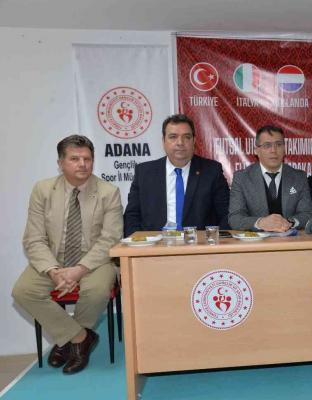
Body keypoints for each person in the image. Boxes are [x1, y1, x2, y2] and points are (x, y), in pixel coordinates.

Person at [12, 135, 123, 374]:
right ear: (60, 163)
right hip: (53, 259)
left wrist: (79, 270)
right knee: (23, 291)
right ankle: (79, 338)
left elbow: (110, 239)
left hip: (95, 260)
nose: (82, 164)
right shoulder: (43, 190)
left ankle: (67, 342)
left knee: (96, 291)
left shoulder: (108, 192)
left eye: (87, 159)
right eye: (74, 159)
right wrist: (53, 271)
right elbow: (33, 238)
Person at [123, 114, 230, 236]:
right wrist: (139, 242)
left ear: (194, 141)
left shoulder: (211, 171)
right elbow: (132, 216)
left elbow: (227, 214)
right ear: (163, 141)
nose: (180, 143)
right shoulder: (144, 172)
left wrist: (212, 241)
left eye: (187, 137)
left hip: (198, 244)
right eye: (173, 137)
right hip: (155, 244)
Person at [228, 125, 312, 232]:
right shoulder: (242, 178)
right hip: (257, 240)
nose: (273, 150)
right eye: (267, 145)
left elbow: (307, 214)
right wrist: (260, 223)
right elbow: (235, 218)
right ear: (257, 151)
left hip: (290, 239)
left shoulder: (299, 177)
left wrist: (289, 222)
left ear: (284, 149)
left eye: (278, 144)